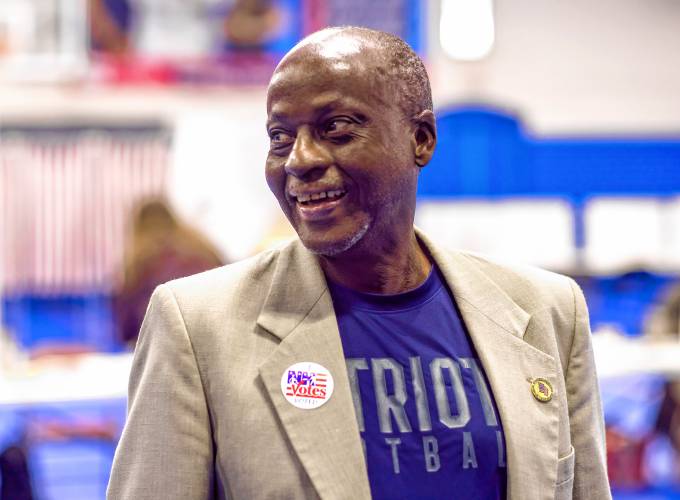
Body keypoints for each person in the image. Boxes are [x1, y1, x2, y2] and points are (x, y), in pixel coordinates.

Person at [107, 27, 610, 499]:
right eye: (280, 137)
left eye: (337, 128)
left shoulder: (546, 312)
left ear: (422, 140)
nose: (299, 159)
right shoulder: (199, 327)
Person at [114, 199, 224, 346]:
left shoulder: (138, 263)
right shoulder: (202, 246)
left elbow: (126, 330)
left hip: (166, 346)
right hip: (217, 334)